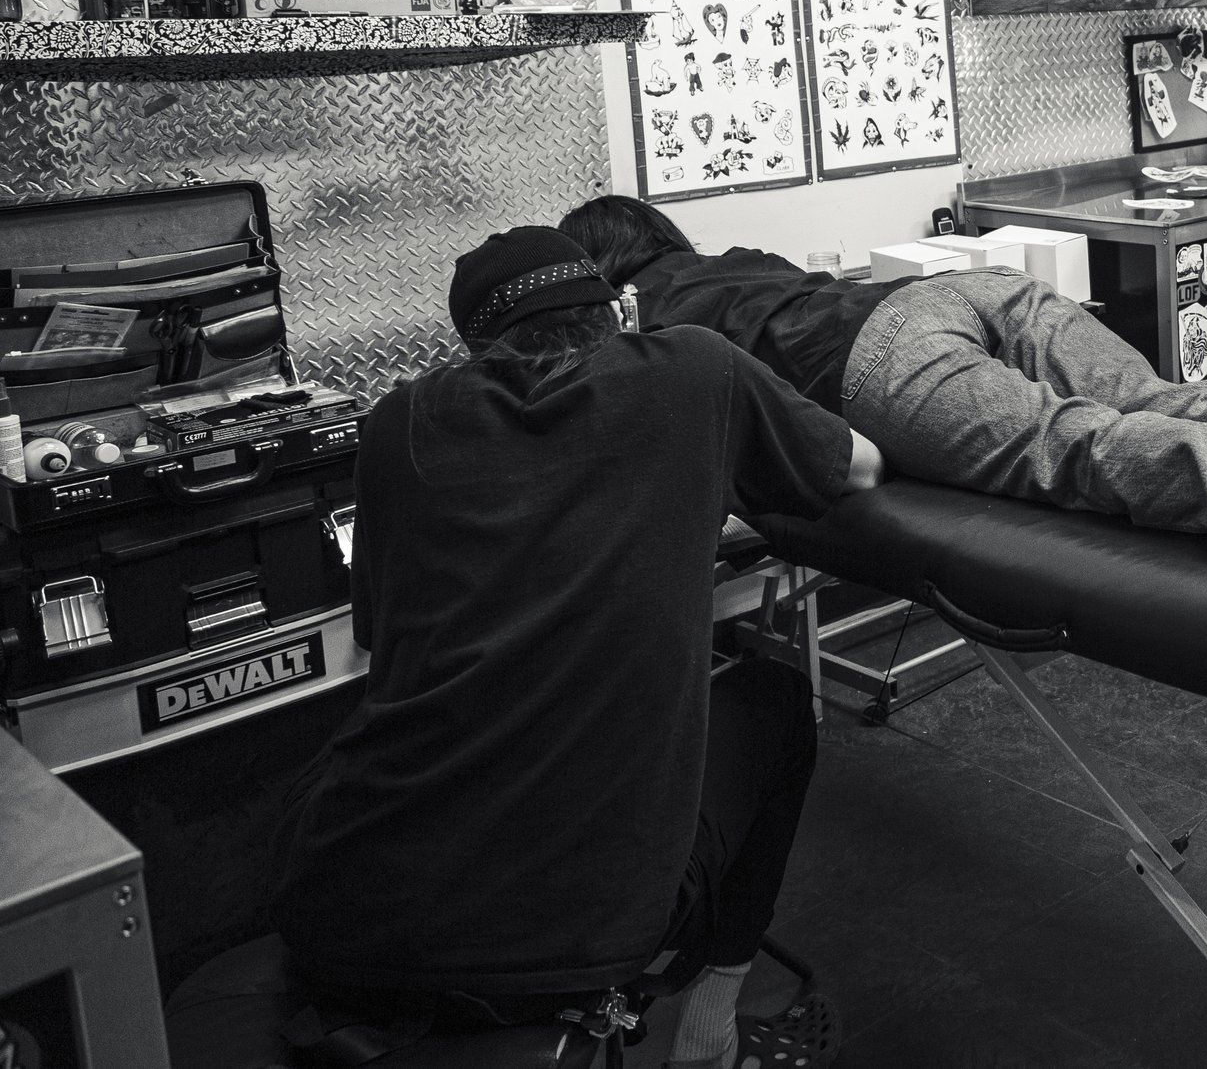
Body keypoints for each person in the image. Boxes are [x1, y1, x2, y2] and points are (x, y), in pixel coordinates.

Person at [270, 228, 863, 1069]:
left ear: (476, 346)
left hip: (344, 914)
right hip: (578, 938)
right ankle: (709, 1039)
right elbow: (855, 467)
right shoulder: (697, 370)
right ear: (614, 311)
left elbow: (379, 637)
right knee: (775, 701)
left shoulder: (400, 420)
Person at [556, 197, 1207, 641]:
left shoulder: (641, 328)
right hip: (964, 293)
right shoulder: (732, 261)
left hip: (882, 362)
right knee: (1165, 397)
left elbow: (839, 457)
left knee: (1077, 446)